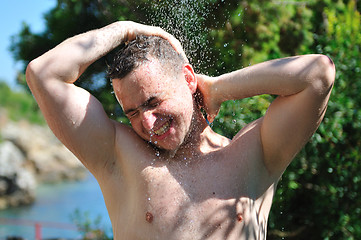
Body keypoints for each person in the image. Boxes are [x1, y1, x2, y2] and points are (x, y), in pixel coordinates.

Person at [26, 21, 335, 240]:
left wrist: (216, 89)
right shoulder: (118, 156)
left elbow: (317, 75)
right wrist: (124, 30)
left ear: (188, 80)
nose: (147, 123)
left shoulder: (254, 153)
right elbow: (43, 74)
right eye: (132, 112)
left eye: (153, 102)